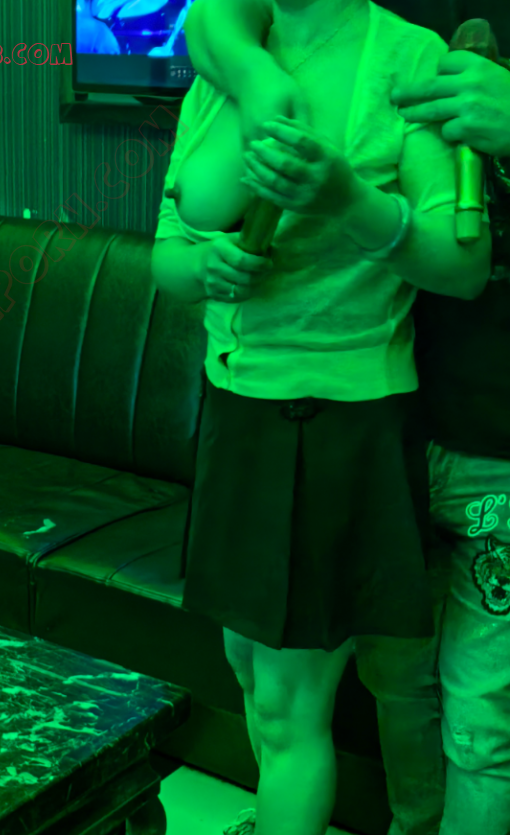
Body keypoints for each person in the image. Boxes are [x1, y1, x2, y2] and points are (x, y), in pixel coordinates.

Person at [150, 1, 494, 834]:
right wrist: (204, 267)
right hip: (234, 407)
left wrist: (343, 197)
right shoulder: (231, 54)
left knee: (287, 706)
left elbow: (463, 263)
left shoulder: (405, 57)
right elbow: (166, 251)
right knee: (246, 666)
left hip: (334, 421)